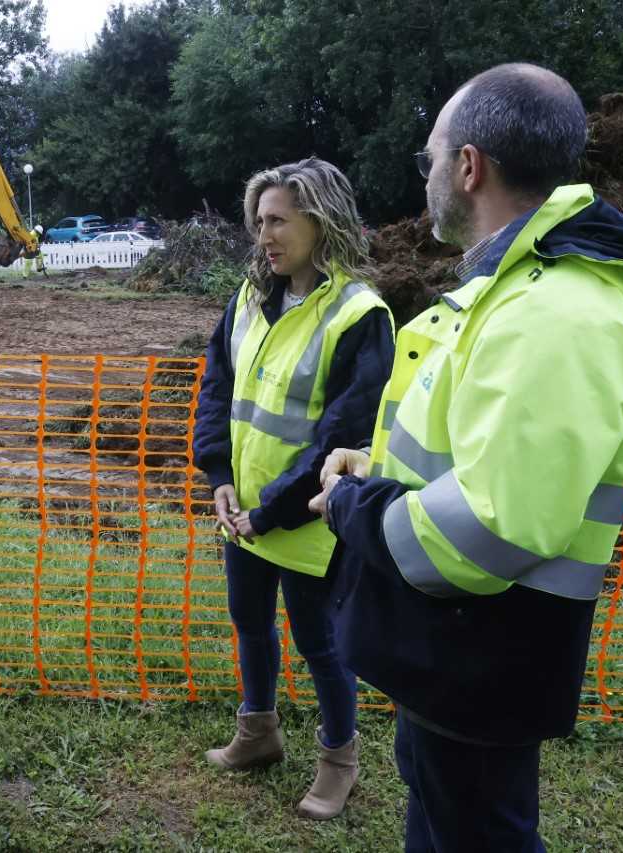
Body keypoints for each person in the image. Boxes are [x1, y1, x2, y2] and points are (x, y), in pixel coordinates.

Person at [311, 63, 623, 851]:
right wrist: (376, 468)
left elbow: (487, 529)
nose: (425, 174)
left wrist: (355, 507)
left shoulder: (557, 315)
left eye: (429, 156)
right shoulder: (512, 293)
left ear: (469, 167)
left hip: (481, 665)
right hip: (452, 658)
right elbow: (471, 459)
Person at [192, 158, 394, 819]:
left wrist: (270, 511)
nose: (264, 236)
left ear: (320, 221)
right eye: (259, 221)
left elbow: (343, 433)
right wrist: (220, 477)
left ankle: (339, 761)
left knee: (321, 643)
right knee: (249, 622)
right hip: (246, 510)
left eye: (278, 221)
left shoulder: (359, 315)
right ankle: (259, 733)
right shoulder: (249, 297)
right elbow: (217, 388)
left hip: (310, 518)